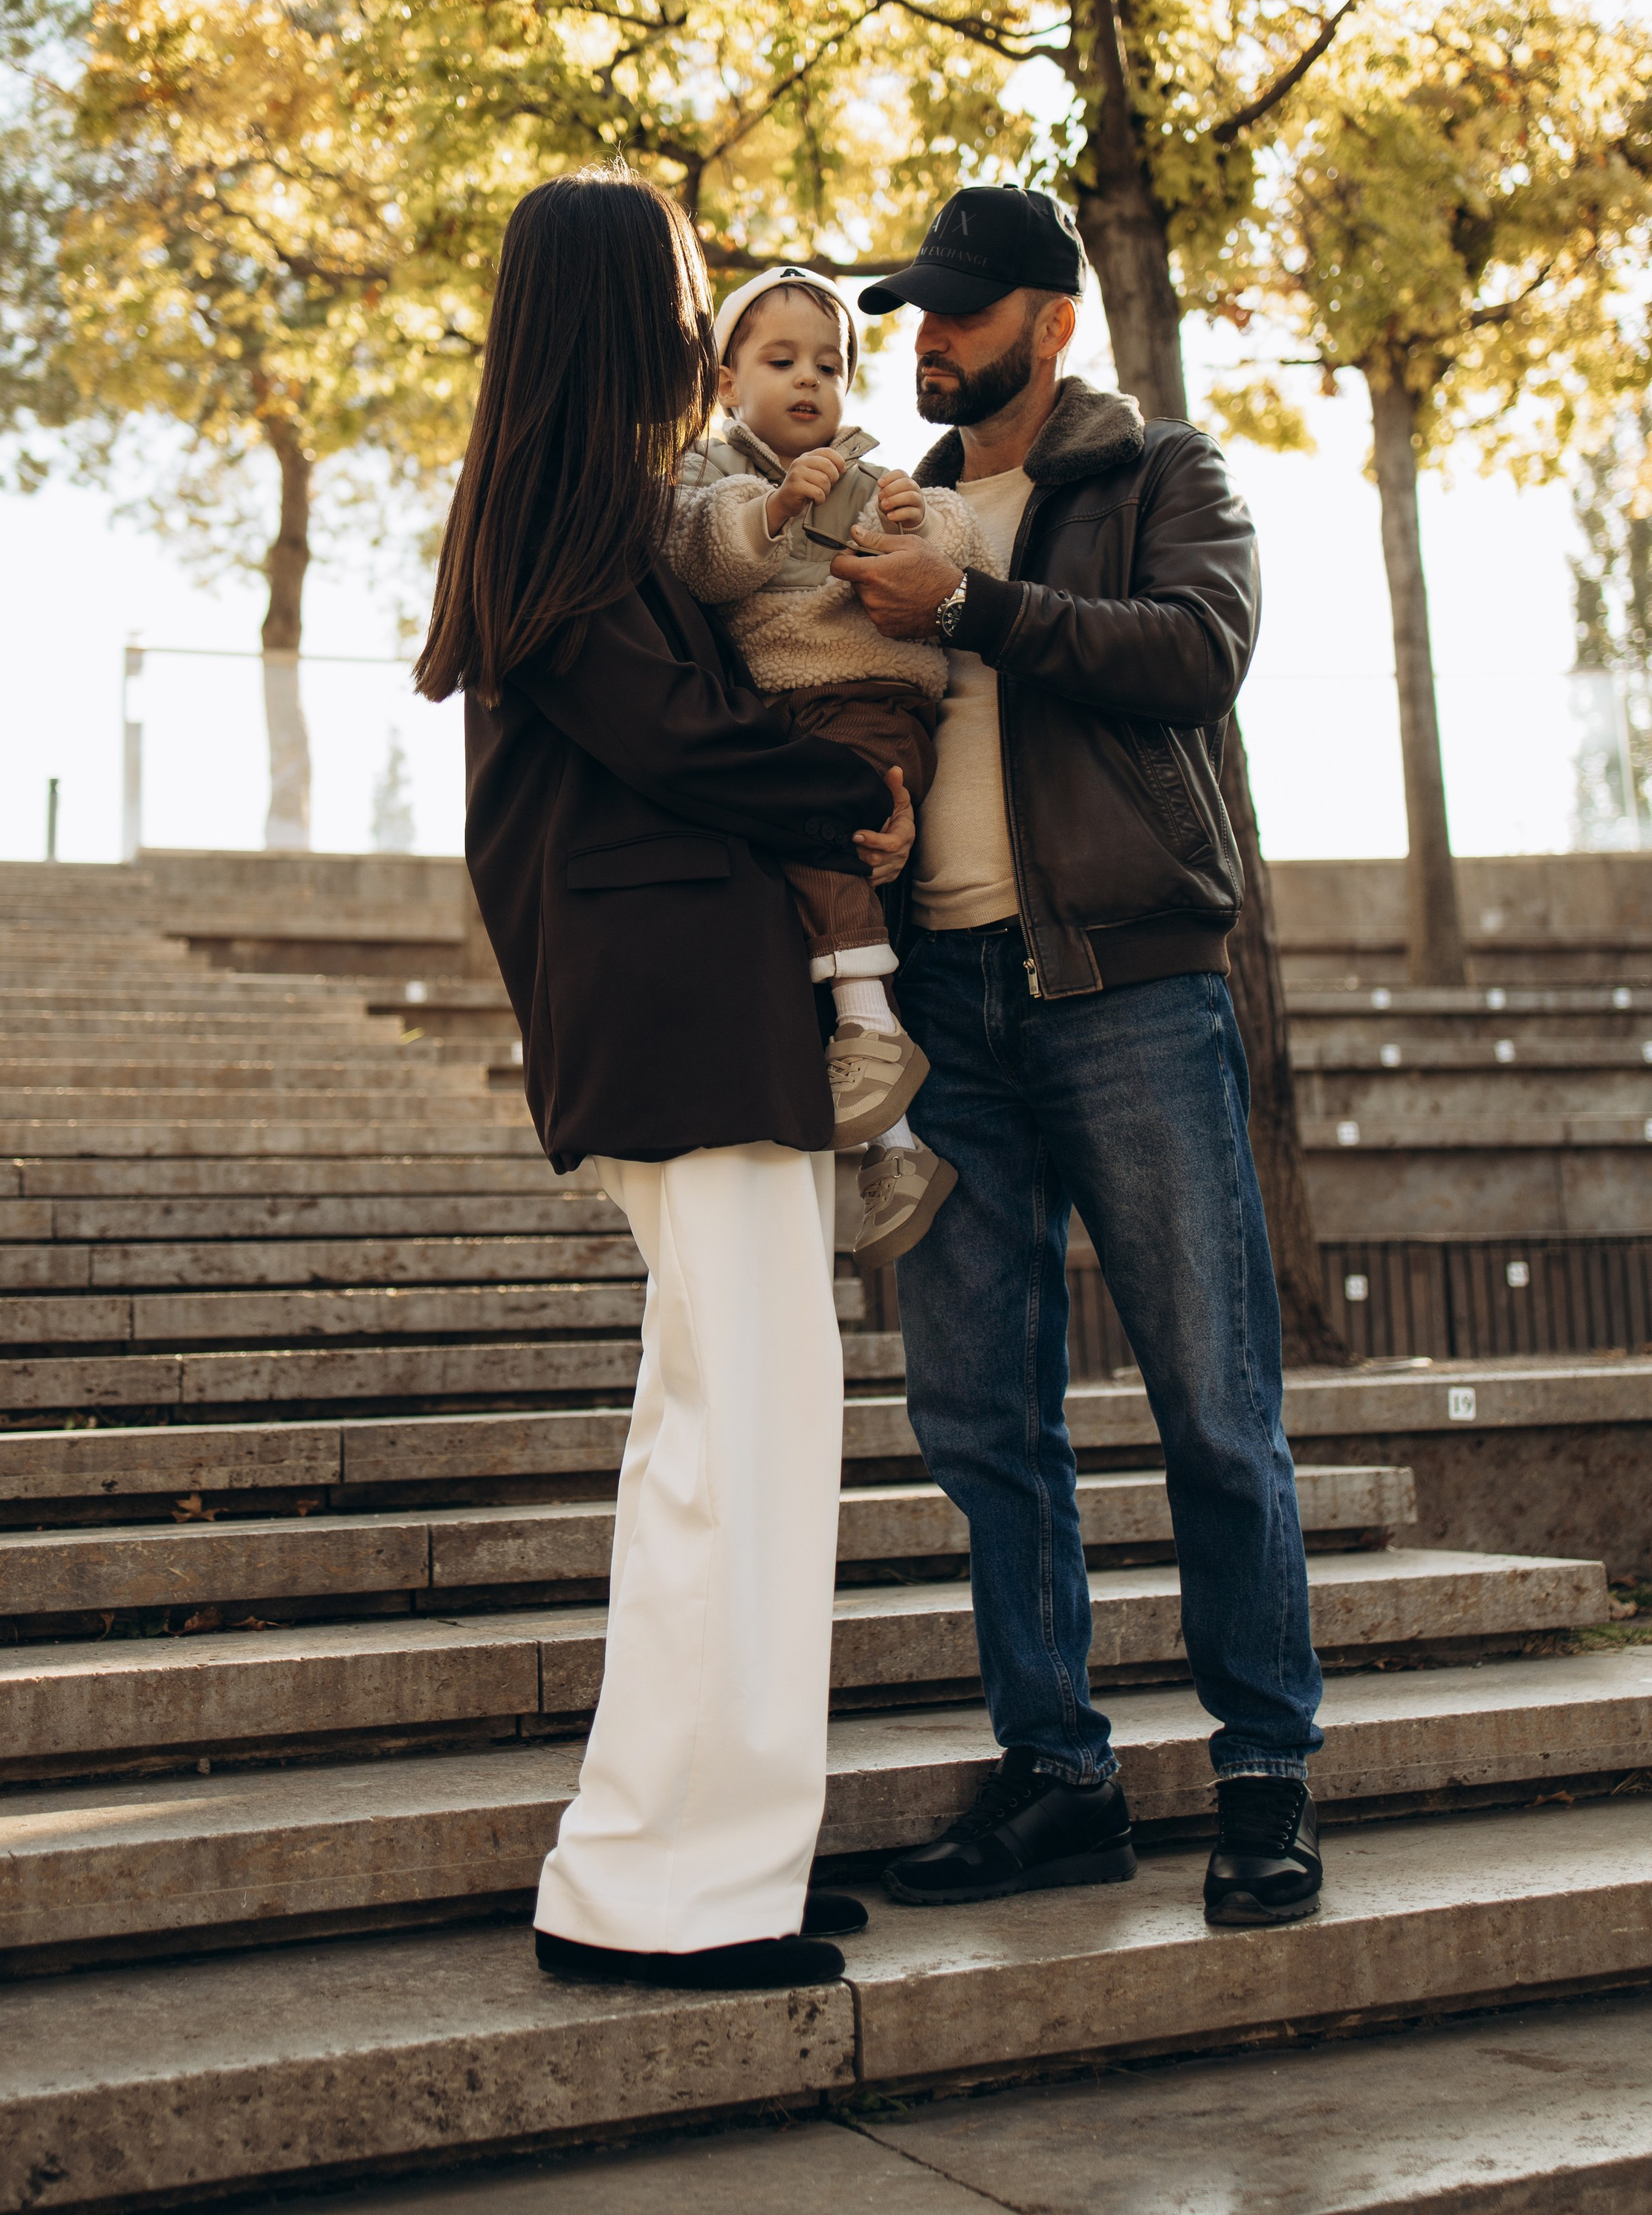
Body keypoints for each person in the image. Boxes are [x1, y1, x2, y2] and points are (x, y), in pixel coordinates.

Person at [415, 167, 915, 1994]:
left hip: (706, 1007)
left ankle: (719, 1861)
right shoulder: (555, 495)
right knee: (740, 1446)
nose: (700, 313)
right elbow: (666, 735)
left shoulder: (583, 498)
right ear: (620, 299)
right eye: (685, 283)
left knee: (733, 1440)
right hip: (673, 1010)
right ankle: (660, 1890)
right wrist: (845, 802)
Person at [829, 184, 1326, 1930]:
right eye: (910, 315)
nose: (924, 341)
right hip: (941, 1004)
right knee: (977, 1418)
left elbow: (1195, 658)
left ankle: (1262, 1776)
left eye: (957, 312)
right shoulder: (891, 501)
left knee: (1211, 1399)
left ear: (1049, 320)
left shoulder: (1156, 475)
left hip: (1124, 986)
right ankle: (1057, 1774)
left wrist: (965, 607)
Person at [665, 262, 990, 1265]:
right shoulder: (714, 473)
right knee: (814, 868)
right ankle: (894, 1143)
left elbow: (958, 536)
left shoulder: (873, 471)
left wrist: (911, 520)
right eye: (781, 361)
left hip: (871, 697)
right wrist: (768, 513)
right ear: (727, 383)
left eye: (829, 366)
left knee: (816, 835)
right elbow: (696, 553)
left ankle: (870, 1030)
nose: (809, 381)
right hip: (794, 710)